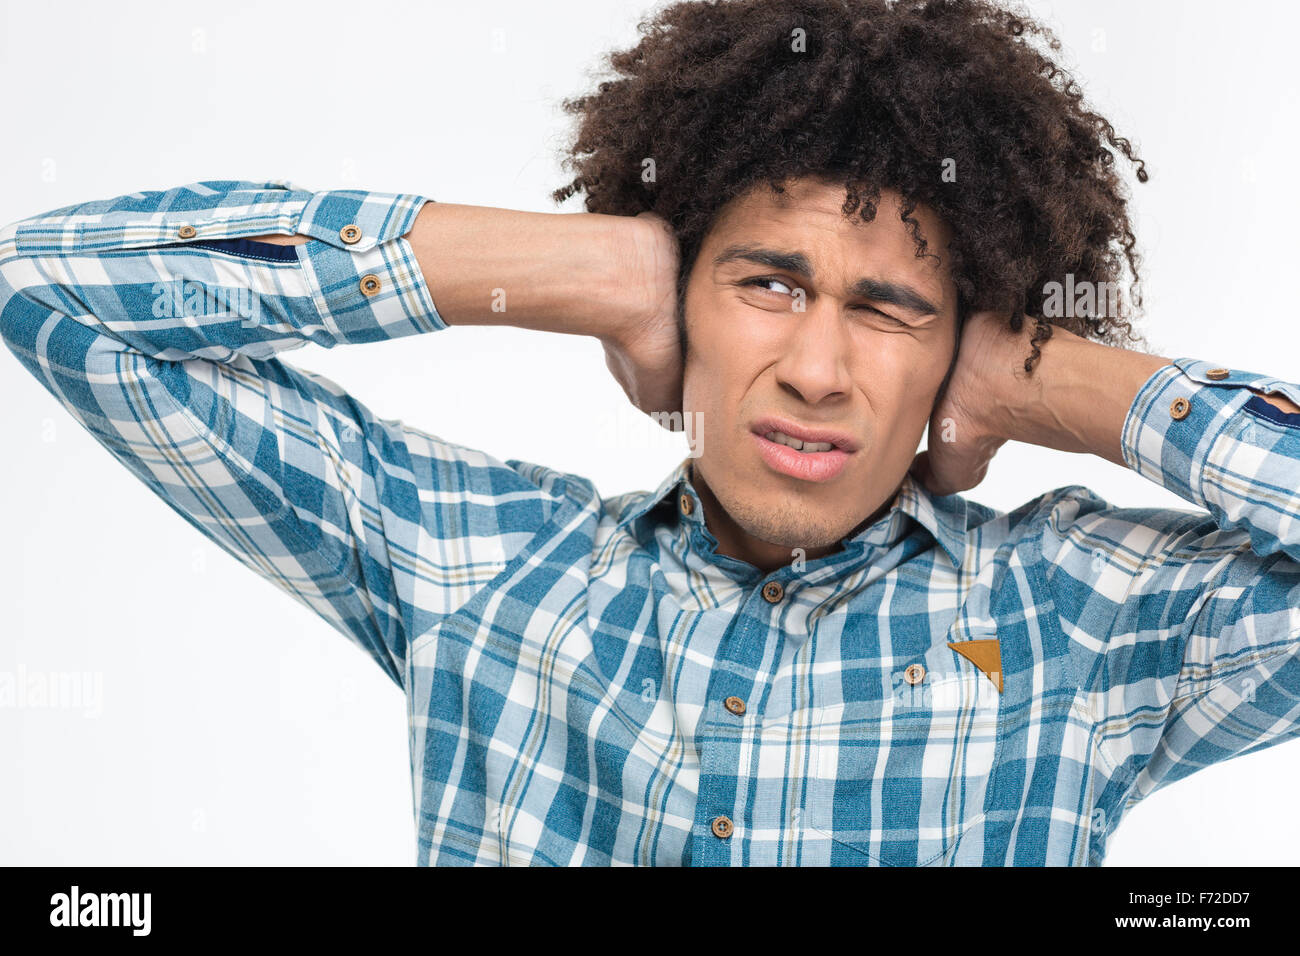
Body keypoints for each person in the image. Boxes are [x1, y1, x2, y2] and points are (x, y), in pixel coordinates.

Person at [2, 0, 1298, 866]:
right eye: (767, 284)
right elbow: (51, 286)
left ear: (956, 353)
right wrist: (576, 267)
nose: (817, 369)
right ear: (686, 305)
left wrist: (1057, 382)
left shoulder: (1081, 618)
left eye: (891, 310)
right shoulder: (486, 563)